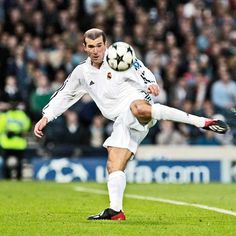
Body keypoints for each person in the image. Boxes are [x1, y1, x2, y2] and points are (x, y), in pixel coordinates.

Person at [34, 28, 228, 220]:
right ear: (84, 47)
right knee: (113, 164)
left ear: (106, 45)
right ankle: (116, 211)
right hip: (121, 122)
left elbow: (140, 69)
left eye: (99, 45)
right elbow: (65, 94)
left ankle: (201, 121)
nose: (96, 50)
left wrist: (150, 83)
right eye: (91, 46)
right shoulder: (81, 72)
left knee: (138, 109)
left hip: (138, 103)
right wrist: (46, 116)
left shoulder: (118, 57)